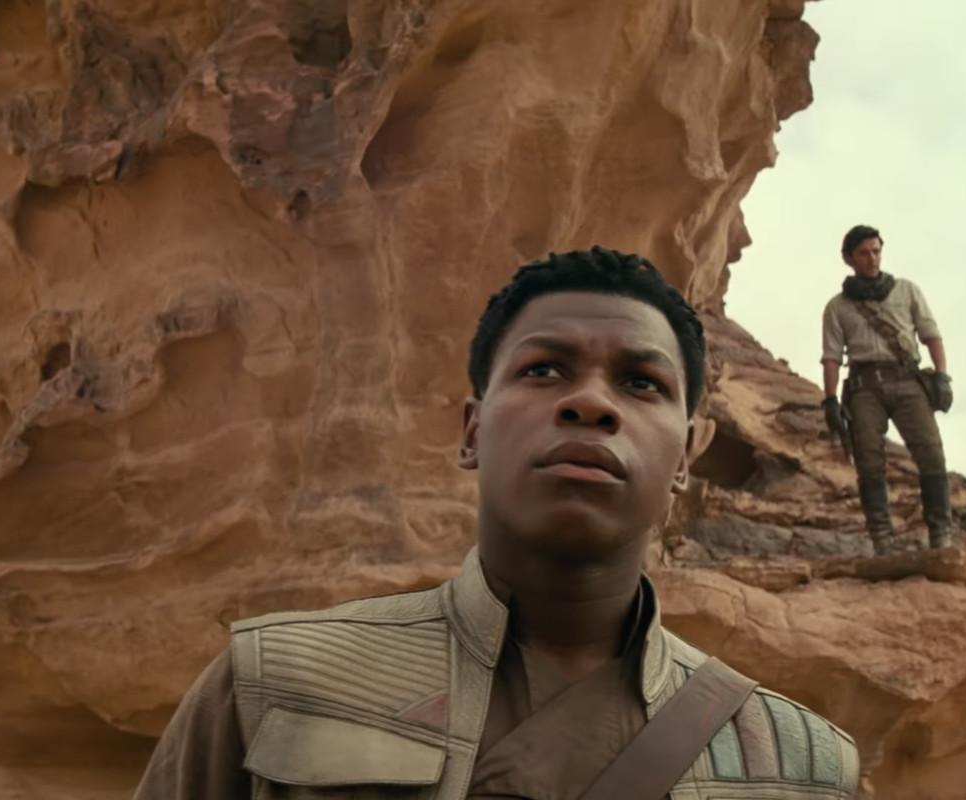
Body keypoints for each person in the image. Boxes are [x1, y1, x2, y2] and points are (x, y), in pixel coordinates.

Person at [134, 246, 859, 799]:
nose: (590, 403)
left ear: (687, 457)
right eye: (543, 370)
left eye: (641, 383)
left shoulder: (802, 765)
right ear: (473, 432)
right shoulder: (271, 682)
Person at [820, 225, 954, 555]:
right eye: (864, 253)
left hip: (907, 381)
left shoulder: (906, 291)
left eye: (876, 251)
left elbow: (931, 334)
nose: (872, 258)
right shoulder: (837, 307)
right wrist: (830, 399)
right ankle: (882, 540)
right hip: (864, 388)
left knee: (931, 454)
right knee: (868, 462)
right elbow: (832, 356)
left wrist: (942, 375)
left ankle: (941, 535)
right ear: (848, 258)